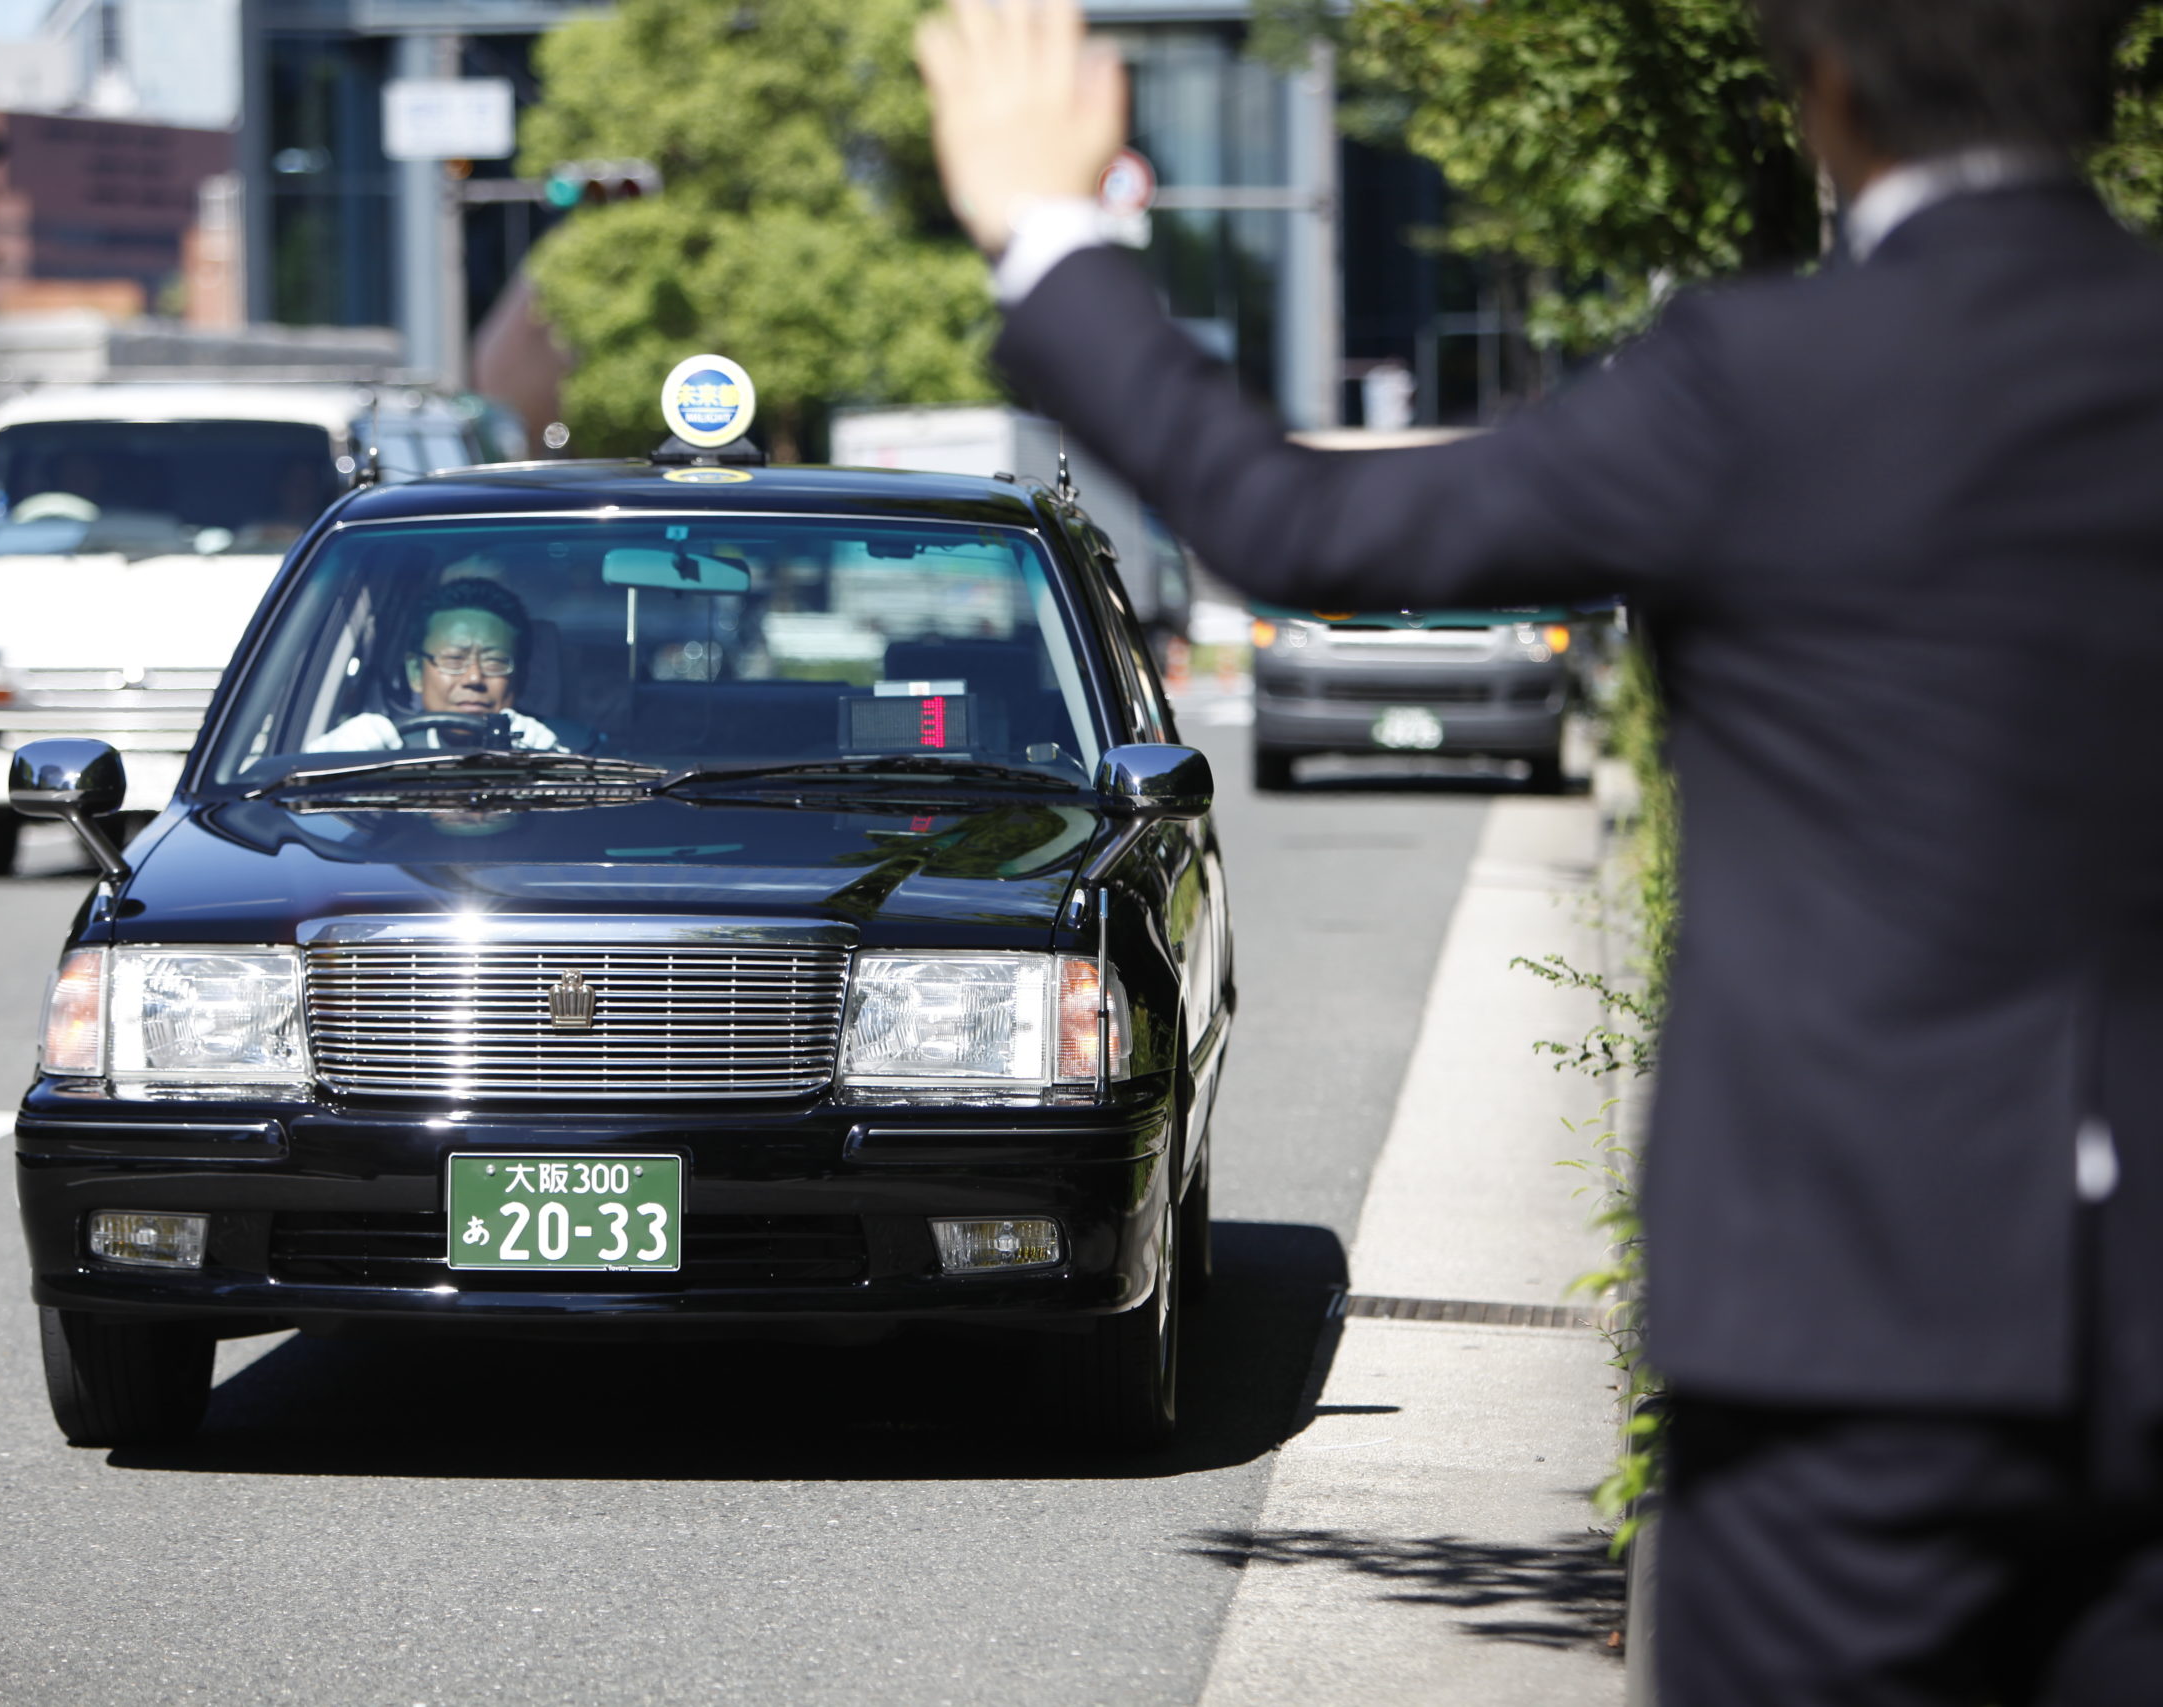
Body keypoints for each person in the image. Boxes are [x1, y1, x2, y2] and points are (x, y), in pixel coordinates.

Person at [919, 0, 2163, 1698]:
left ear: (1825, 82)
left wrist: (1051, 228)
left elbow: (1305, 524)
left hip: (1843, 1321)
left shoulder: (1763, 381)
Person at [309, 577, 567, 753]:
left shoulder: (564, 747)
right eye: (454, 659)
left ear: (519, 676)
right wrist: (330, 762)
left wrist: (552, 767)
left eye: (495, 661)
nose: (474, 678)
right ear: (415, 672)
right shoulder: (380, 748)